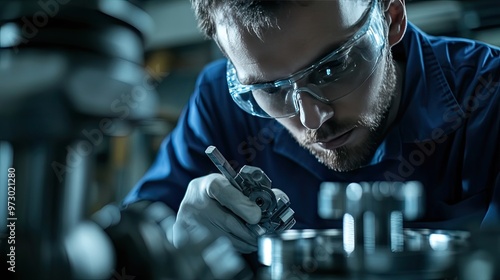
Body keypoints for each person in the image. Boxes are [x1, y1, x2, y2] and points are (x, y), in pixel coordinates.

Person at [123, 0, 500, 255]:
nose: (311, 119)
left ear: (391, 16)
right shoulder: (218, 103)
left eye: (332, 68)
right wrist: (173, 248)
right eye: (270, 89)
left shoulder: (488, 97)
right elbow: (123, 253)